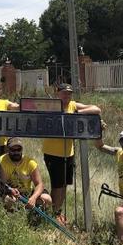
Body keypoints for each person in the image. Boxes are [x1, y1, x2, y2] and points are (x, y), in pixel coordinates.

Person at [42, 83, 100, 225]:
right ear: (57, 93)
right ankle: (53, 214)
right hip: (53, 152)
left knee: (64, 184)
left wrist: (76, 115)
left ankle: (57, 211)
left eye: (69, 93)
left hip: (69, 153)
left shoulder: (73, 105)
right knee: (57, 185)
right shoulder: (51, 106)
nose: (67, 96)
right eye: (64, 93)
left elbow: (96, 109)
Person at [0, 138, 52, 212]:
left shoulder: (30, 162)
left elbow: (40, 184)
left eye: (19, 149)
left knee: (47, 198)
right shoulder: (2, 161)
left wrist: (33, 198)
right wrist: (11, 190)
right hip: (12, 193)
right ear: (8, 149)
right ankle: (15, 216)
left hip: (27, 193)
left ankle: (35, 216)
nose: (16, 152)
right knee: (9, 200)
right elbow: (3, 184)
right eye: (13, 150)